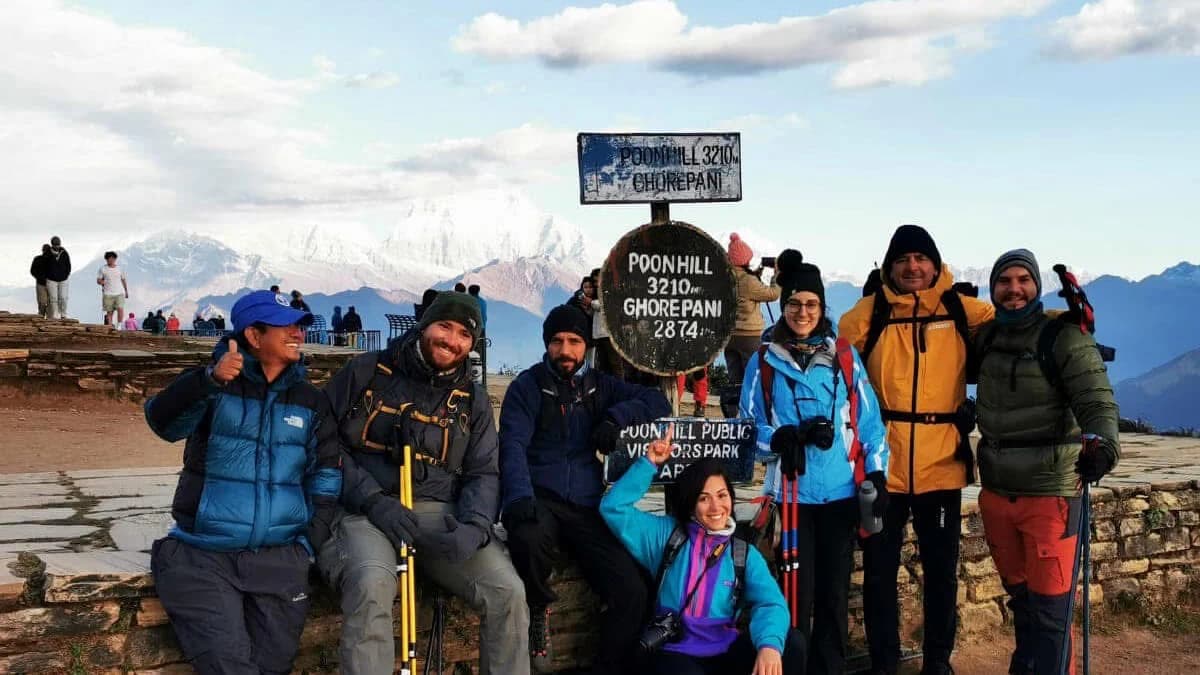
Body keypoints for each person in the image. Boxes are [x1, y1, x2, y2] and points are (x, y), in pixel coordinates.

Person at [320, 292, 528, 675]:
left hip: (438, 510)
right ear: (424, 325)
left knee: (508, 593)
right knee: (370, 583)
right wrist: (371, 500)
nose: (452, 340)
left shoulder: (472, 400)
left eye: (464, 333)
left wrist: (476, 526)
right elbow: (322, 441)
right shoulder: (366, 372)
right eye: (444, 326)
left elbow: (484, 471)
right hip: (366, 510)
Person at [144, 290, 340, 674]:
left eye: (300, 328)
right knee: (229, 665)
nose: (298, 335)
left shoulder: (310, 401)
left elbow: (327, 477)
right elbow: (162, 423)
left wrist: (307, 544)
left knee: (275, 666)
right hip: (204, 556)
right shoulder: (214, 387)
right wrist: (208, 382)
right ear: (253, 335)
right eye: (287, 327)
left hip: (280, 559)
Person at [837, 225, 994, 675]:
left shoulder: (962, 309)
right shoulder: (867, 314)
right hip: (881, 465)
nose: (912, 267)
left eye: (920, 258)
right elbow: (837, 369)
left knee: (942, 571)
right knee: (880, 572)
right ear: (889, 266)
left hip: (941, 463)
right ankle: (884, 662)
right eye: (903, 259)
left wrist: (1072, 325)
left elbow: (1015, 321)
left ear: (935, 263)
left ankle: (938, 662)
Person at [499, 304, 671, 673]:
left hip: (586, 502)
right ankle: (539, 609)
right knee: (526, 538)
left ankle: (608, 666)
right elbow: (511, 444)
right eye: (558, 341)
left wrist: (615, 417)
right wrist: (517, 497)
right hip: (539, 497)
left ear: (586, 346)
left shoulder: (599, 386)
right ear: (547, 344)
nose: (566, 350)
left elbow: (657, 401)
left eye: (575, 341)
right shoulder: (526, 387)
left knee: (631, 590)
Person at [974, 250, 1120, 675]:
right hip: (998, 491)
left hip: (1051, 493)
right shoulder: (987, 338)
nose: (1014, 289)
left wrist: (1104, 445)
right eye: (1004, 281)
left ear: (1036, 285)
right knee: (1021, 600)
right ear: (993, 288)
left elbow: (1096, 400)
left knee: (1051, 610)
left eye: (1023, 280)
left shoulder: (1064, 337)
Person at [741, 255, 889, 674]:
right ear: (784, 305)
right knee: (794, 597)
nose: (802, 312)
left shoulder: (844, 358)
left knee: (834, 597)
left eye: (811, 304)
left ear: (822, 308)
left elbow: (870, 424)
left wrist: (877, 474)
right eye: (794, 303)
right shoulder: (764, 362)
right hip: (792, 497)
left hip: (840, 495)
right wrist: (781, 438)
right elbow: (748, 429)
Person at [601, 428, 805, 675]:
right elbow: (614, 509)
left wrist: (769, 645)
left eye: (722, 495)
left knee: (792, 644)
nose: (716, 506)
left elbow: (771, 602)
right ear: (691, 503)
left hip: (726, 649)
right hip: (677, 652)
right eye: (704, 498)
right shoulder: (667, 537)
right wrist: (649, 463)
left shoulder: (742, 553)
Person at [722, 234, 781, 417]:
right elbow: (772, 294)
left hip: (729, 335)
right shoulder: (749, 281)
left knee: (735, 379)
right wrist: (777, 275)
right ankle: (754, 414)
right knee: (754, 376)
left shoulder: (725, 278)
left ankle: (732, 415)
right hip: (750, 335)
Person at [96, 251, 129, 326]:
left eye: (111, 259)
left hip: (119, 293)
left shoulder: (119, 269)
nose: (109, 260)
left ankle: (119, 325)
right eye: (108, 259)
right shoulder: (102, 269)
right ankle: (110, 326)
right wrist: (101, 282)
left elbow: (123, 280)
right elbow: (98, 280)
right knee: (109, 312)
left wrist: (126, 291)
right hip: (108, 293)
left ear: (115, 259)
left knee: (120, 308)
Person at [44, 235, 71, 319]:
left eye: (58, 244)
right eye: (55, 245)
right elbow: (44, 266)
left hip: (63, 279)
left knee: (63, 297)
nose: (57, 246)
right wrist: (47, 275)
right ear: (52, 244)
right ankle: (55, 314)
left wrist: (66, 274)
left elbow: (68, 265)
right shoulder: (47, 254)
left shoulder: (64, 253)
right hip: (51, 280)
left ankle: (63, 314)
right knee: (53, 298)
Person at [30, 244, 52, 318]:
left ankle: (48, 321)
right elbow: (33, 271)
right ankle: (41, 318)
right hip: (41, 284)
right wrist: (40, 278)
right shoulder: (38, 259)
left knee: (50, 304)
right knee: (42, 303)